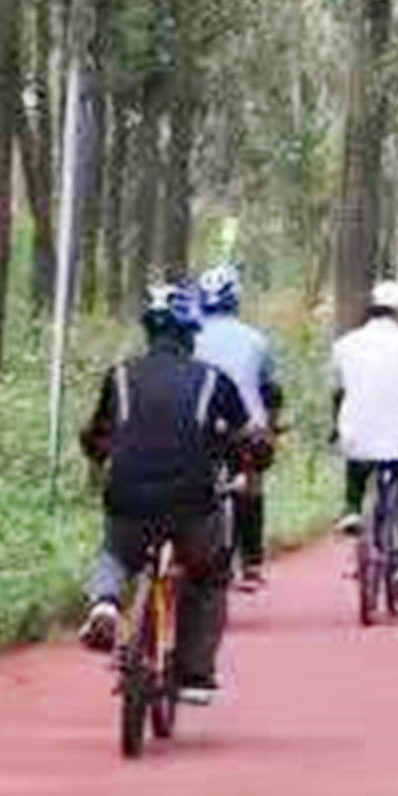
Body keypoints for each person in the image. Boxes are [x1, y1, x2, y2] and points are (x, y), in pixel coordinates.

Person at [80, 281, 261, 702]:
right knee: (208, 574)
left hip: (128, 497)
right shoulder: (213, 381)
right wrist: (251, 458)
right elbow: (248, 439)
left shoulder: (120, 376)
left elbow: (96, 436)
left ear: (148, 331)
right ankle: (195, 675)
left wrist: (102, 457)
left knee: (115, 551)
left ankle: (105, 602)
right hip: (193, 502)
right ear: (190, 333)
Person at [330, 279, 398, 603]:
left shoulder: (345, 344)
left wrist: (336, 425)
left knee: (357, 451)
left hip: (356, 436)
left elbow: (338, 391)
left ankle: (351, 506)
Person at [192, 264, 284, 592]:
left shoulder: (190, 336)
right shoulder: (256, 339)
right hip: (246, 429)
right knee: (252, 486)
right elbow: (270, 389)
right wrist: (272, 427)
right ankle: (252, 563)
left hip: (197, 426)